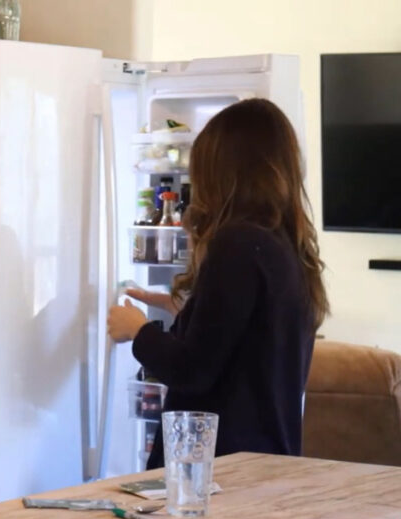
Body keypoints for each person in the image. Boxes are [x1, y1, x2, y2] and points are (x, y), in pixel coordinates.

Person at [107, 98, 328, 469]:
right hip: (267, 459)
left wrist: (139, 331)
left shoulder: (237, 242)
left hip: (219, 468)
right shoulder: (282, 244)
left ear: (224, 172)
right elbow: (246, 335)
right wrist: (183, 308)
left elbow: (193, 370)